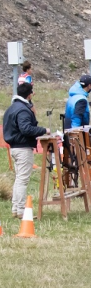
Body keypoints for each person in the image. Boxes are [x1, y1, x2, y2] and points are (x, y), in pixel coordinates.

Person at [2, 83, 49, 219]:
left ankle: (16, 208)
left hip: (14, 148)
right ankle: (22, 211)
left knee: (19, 179)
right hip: (23, 148)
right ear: (29, 94)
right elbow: (26, 129)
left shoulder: (11, 108)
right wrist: (44, 130)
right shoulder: (23, 110)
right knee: (22, 180)